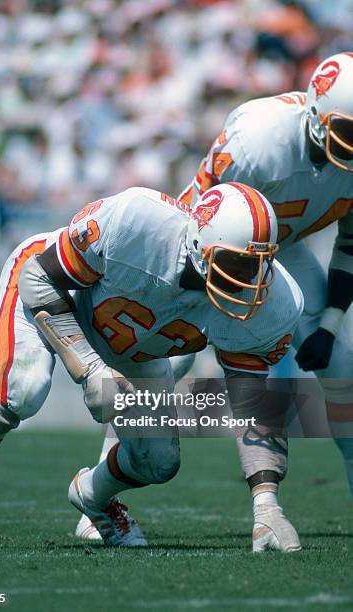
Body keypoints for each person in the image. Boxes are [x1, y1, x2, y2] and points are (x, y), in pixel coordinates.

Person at [77, 51, 353, 544]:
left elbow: (350, 244)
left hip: (280, 251)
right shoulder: (261, 138)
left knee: (344, 372)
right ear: (315, 117)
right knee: (167, 357)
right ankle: (101, 489)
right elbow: (208, 219)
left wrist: (329, 324)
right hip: (219, 250)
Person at [0, 183, 303, 550]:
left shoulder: (274, 301)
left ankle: (93, 500)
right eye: (237, 263)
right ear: (199, 244)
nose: (249, 280)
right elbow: (38, 276)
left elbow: (252, 405)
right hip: (56, 295)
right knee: (23, 388)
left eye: (260, 264)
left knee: (157, 462)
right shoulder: (138, 223)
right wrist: (89, 368)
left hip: (130, 344)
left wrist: (266, 505)